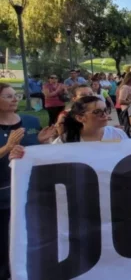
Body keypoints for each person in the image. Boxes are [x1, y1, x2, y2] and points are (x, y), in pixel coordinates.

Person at [0, 83, 54, 278]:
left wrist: (41, 141)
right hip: (4, 197)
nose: (15, 99)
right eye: (8, 96)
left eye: (16, 95)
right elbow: (9, 150)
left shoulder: (30, 121)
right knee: (5, 242)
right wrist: (7, 148)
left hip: (32, 192)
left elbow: (36, 154)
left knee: (30, 238)